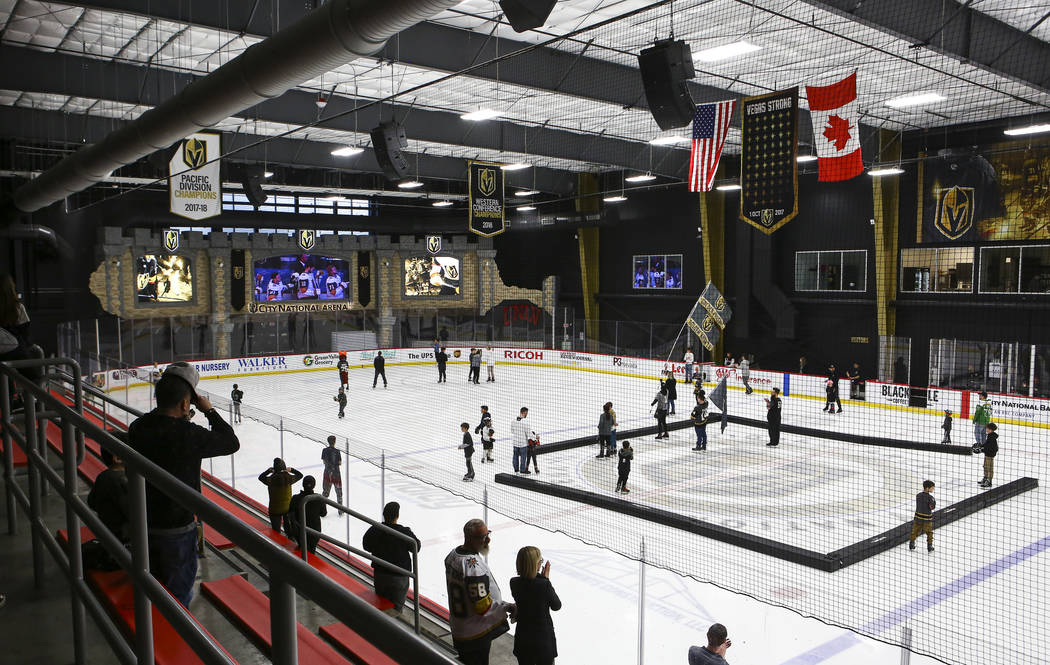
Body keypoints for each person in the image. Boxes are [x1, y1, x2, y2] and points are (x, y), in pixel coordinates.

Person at [126, 362, 240, 606]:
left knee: (150, 589)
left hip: (142, 520)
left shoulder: (137, 428)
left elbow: (164, 431)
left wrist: (184, 417)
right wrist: (209, 411)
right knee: (177, 598)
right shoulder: (188, 435)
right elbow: (230, 442)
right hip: (176, 528)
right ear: (186, 403)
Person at [444, 519, 516, 665]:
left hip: (460, 627)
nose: (488, 539)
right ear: (470, 538)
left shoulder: (452, 555)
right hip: (474, 634)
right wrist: (507, 607)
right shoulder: (473, 567)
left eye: (488, 534)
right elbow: (483, 606)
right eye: (483, 536)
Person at [363, 502, 420, 612]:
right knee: (396, 609)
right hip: (399, 578)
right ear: (397, 516)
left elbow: (366, 546)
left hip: (380, 575)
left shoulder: (375, 529)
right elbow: (416, 547)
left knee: (381, 601)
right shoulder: (404, 532)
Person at [510, 546, 562, 665]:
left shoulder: (514, 583)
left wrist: (544, 580)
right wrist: (546, 580)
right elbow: (556, 606)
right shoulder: (544, 585)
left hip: (523, 641)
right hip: (542, 644)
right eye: (540, 561)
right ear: (536, 565)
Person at [87, 448, 129, 543]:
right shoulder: (122, 481)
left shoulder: (102, 476)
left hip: (105, 527)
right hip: (121, 534)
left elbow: (91, 502)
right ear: (117, 458)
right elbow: (132, 513)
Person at [258, 458, 303, 532]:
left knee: (276, 531)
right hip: (287, 508)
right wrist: (291, 470)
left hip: (274, 510)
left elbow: (261, 477)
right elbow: (300, 475)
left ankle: (276, 541)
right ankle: (289, 537)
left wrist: (268, 471)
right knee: (289, 528)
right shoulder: (289, 478)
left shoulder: (271, 480)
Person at [286, 476, 326, 554]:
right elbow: (323, 513)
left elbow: (290, 513)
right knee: (311, 550)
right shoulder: (318, 499)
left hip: (299, 532)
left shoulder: (295, 498)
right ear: (314, 485)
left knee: (304, 548)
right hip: (315, 532)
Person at [908, 480, 936, 552]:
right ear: (927, 488)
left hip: (918, 518)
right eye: (932, 488)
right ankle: (929, 546)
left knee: (915, 531)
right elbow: (932, 507)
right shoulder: (930, 498)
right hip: (927, 519)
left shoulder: (918, 495)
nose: (933, 489)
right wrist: (933, 502)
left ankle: (911, 543)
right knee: (929, 533)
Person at [511, 407, 535, 474]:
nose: (527, 414)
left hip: (515, 443)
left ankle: (516, 469)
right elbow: (529, 433)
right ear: (524, 413)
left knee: (515, 456)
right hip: (523, 444)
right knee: (523, 458)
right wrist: (535, 438)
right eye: (526, 413)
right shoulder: (525, 422)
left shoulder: (513, 421)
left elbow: (512, 431)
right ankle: (522, 470)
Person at [321, 435, 343, 503]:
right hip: (336, 474)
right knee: (339, 493)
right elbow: (339, 463)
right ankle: (341, 511)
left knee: (325, 493)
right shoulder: (337, 451)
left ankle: (322, 509)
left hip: (327, 473)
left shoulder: (324, 450)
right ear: (335, 442)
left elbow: (324, 461)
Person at [980, 423, 998, 488]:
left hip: (990, 455)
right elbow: (986, 444)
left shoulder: (992, 438)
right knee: (985, 466)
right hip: (987, 454)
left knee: (989, 467)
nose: (986, 429)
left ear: (990, 430)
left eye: (987, 428)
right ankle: (985, 477)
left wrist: (982, 450)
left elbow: (993, 448)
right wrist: (981, 446)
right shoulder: (989, 436)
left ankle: (989, 480)